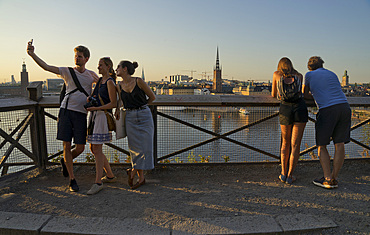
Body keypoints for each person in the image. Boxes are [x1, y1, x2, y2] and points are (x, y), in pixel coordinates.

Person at [27, 41, 98, 192]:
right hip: (66, 112)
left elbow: (105, 84)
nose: (76, 59)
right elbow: (47, 67)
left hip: (81, 114)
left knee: (80, 147)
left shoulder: (91, 75)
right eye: (75, 56)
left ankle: (65, 162)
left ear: (86, 59)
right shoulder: (67, 71)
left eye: (79, 56)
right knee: (66, 145)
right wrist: (33, 54)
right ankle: (72, 179)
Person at [303, 56, 351, 189]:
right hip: (345, 107)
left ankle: (327, 178)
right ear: (322, 65)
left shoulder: (309, 75)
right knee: (339, 144)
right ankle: (334, 178)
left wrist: (315, 95)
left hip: (328, 110)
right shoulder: (332, 74)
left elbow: (304, 94)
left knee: (321, 145)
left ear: (309, 67)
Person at [115, 60, 156, 190]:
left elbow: (152, 97)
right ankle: (141, 178)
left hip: (144, 115)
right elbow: (121, 101)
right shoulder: (119, 85)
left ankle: (133, 171)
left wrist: (141, 107)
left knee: (146, 147)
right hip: (130, 117)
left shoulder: (139, 81)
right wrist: (117, 109)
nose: (116, 70)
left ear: (125, 69)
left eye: (118, 67)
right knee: (134, 148)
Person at [271, 57, 308, 185]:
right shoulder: (299, 76)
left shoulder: (276, 75)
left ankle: (283, 173)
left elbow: (273, 94)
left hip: (285, 109)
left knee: (285, 142)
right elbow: (300, 93)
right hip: (300, 108)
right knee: (295, 144)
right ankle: (290, 175)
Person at [85, 57, 117, 195]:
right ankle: (109, 175)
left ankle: (98, 182)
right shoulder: (99, 81)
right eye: (98, 65)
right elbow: (94, 96)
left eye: (101, 65)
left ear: (108, 66)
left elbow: (113, 104)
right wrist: (90, 100)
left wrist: (95, 108)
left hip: (101, 116)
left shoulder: (110, 82)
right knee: (94, 148)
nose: (98, 68)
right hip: (95, 115)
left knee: (97, 148)